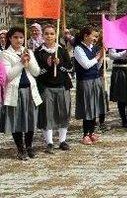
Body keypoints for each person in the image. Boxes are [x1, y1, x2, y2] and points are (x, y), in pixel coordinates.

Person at [0, 27, 41, 160]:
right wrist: (21, 63)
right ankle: (20, 148)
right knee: (16, 121)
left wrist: (28, 62)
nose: (19, 40)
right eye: (15, 37)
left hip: (29, 90)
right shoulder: (5, 54)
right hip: (15, 91)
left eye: (21, 37)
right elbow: (8, 76)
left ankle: (29, 146)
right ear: (10, 38)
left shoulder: (28, 51)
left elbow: (36, 72)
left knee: (30, 119)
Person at [35, 24, 74, 153]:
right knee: (47, 114)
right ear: (43, 35)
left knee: (63, 113)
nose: (49, 36)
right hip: (46, 87)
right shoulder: (38, 52)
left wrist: (60, 64)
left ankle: (62, 141)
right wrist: (47, 66)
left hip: (62, 86)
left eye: (52, 34)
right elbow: (36, 71)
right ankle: (50, 143)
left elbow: (70, 67)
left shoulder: (61, 50)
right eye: (46, 33)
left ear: (55, 35)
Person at [73, 26, 106, 145]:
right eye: (93, 36)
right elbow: (86, 65)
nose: (95, 38)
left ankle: (92, 132)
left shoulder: (94, 48)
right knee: (88, 107)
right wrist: (97, 57)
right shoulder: (78, 49)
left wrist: (101, 57)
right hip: (85, 81)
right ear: (86, 36)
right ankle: (85, 134)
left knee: (94, 106)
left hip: (95, 79)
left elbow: (97, 66)